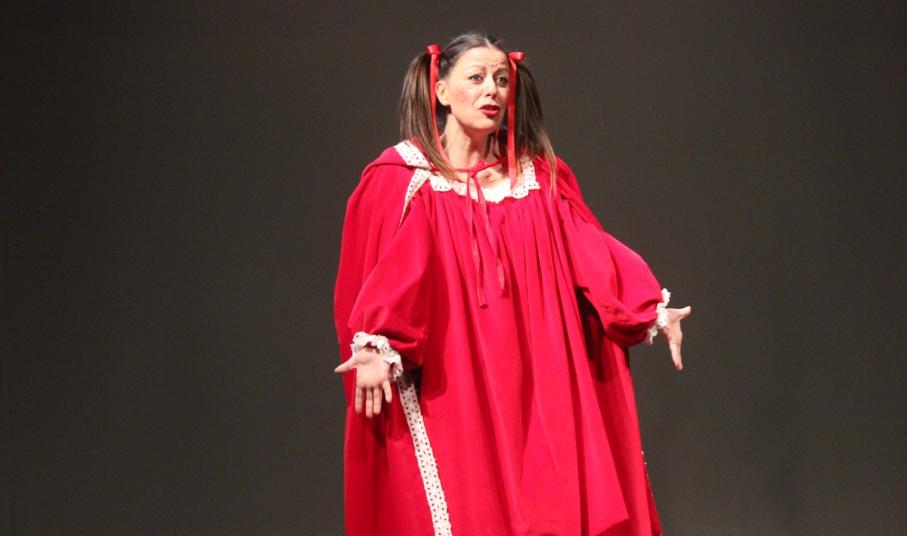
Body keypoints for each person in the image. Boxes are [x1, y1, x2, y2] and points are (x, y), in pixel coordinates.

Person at [333, 31, 691, 536]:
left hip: (539, 382)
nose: (493, 90)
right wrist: (376, 343)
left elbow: (588, 247)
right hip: (453, 381)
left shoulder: (536, 180)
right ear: (440, 91)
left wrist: (645, 304)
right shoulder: (405, 179)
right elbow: (394, 271)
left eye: (502, 79)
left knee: (550, 506)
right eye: (477, 77)